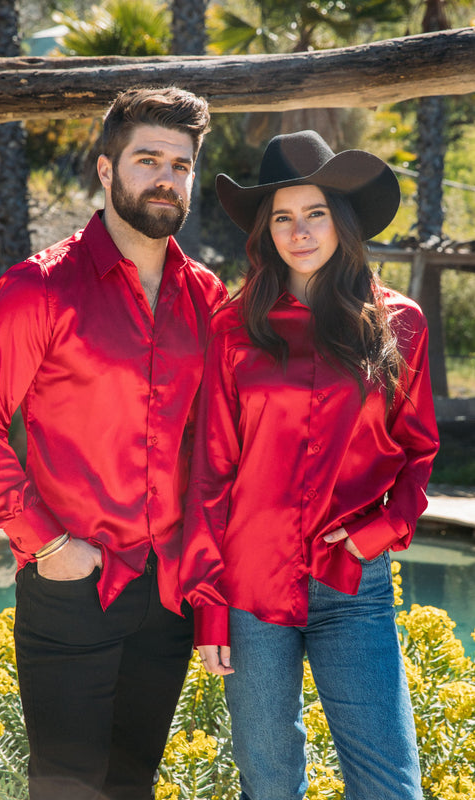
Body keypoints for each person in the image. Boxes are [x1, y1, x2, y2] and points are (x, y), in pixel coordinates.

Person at [0, 86, 227, 800]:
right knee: (66, 792)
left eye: (181, 163)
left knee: (132, 786)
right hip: (73, 586)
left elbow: (214, 451)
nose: (165, 177)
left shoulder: (208, 299)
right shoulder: (40, 288)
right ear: (106, 171)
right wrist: (45, 543)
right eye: (146, 160)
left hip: (167, 595)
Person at [179, 130, 439, 800]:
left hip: (352, 582)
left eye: (314, 213)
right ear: (265, 232)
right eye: (282, 217)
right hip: (251, 590)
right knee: (268, 783)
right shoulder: (232, 328)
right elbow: (210, 472)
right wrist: (209, 608)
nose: (299, 231)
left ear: (341, 221)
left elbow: (418, 452)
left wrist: (373, 535)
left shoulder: (398, 323)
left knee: (389, 785)